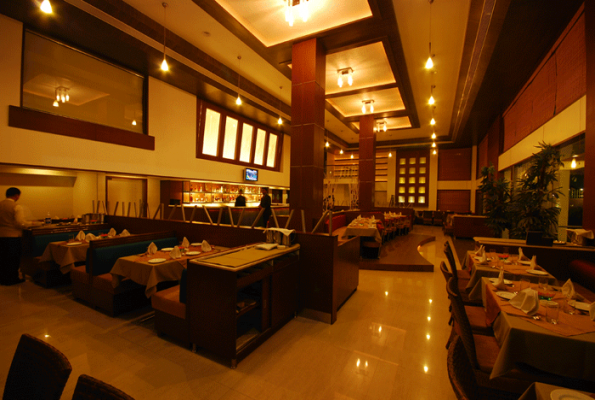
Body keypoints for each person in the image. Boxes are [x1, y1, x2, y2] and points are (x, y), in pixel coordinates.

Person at [0, 187, 30, 285]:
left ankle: (2, 278)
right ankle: (12, 279)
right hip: (13, 236)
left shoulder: (0, 204)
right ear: (17, 195)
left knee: (3, 258)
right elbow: (20, 223)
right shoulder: (16, 206)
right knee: (13, 259)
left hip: (1, 236)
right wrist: (30, 224)